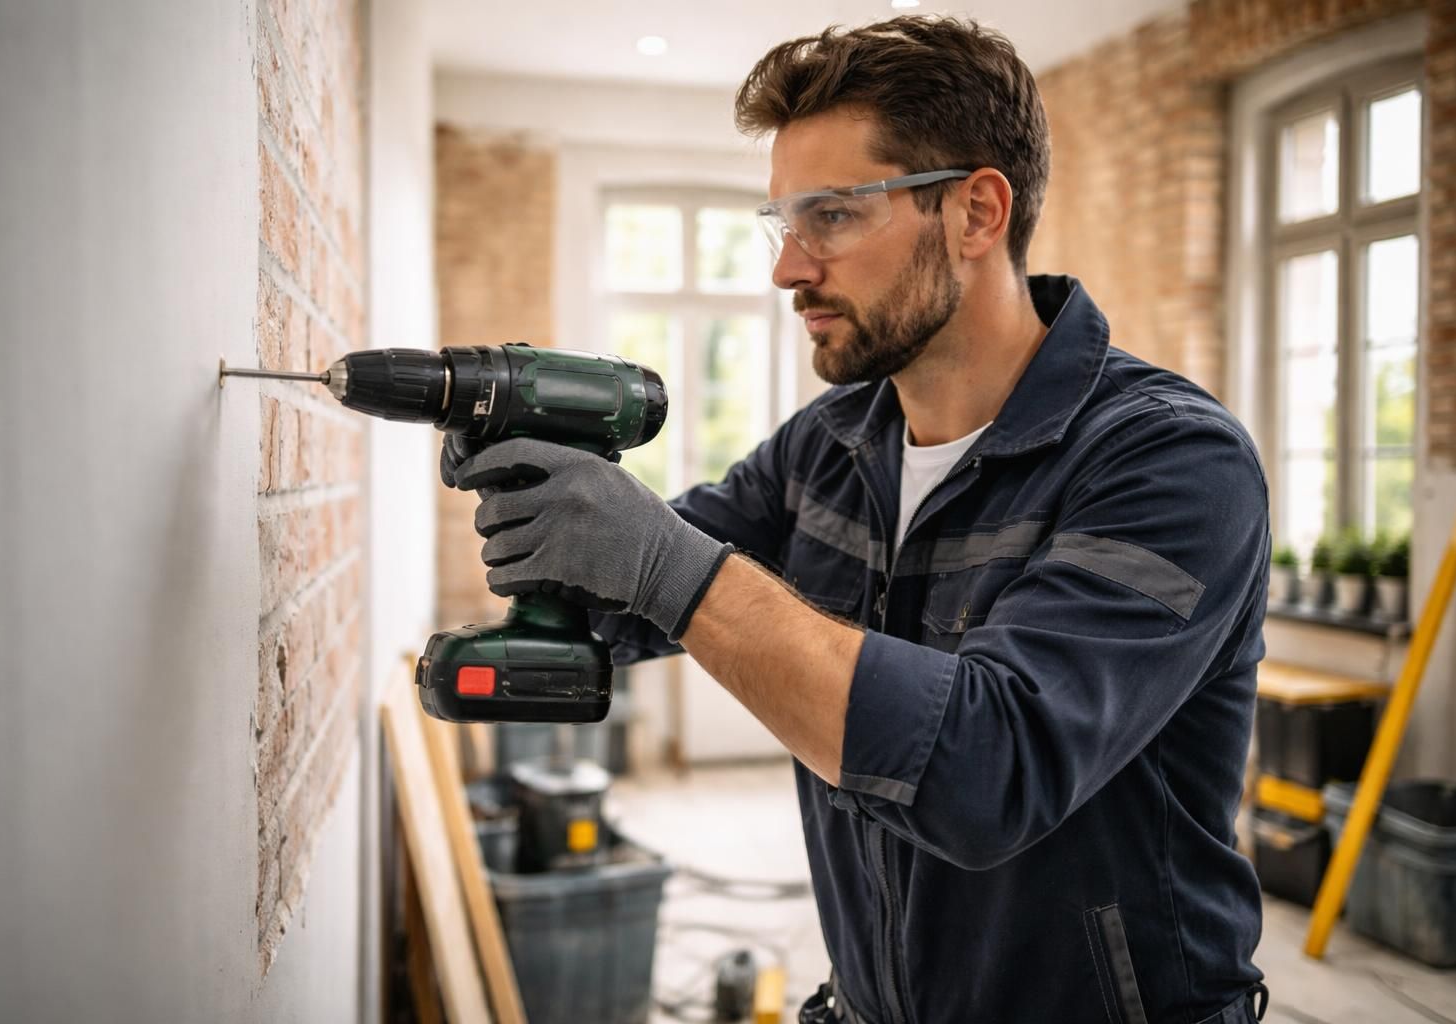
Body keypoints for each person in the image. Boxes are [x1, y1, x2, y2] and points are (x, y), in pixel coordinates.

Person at [443, 15, 1270, 1024]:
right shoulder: (832, 445)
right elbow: (637, 590)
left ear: (976, 212)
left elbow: (987, 770)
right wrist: (543, 502)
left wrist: (661, 561)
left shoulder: (1172, 462)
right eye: (783, 221)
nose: (788, 269)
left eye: (831, 215)